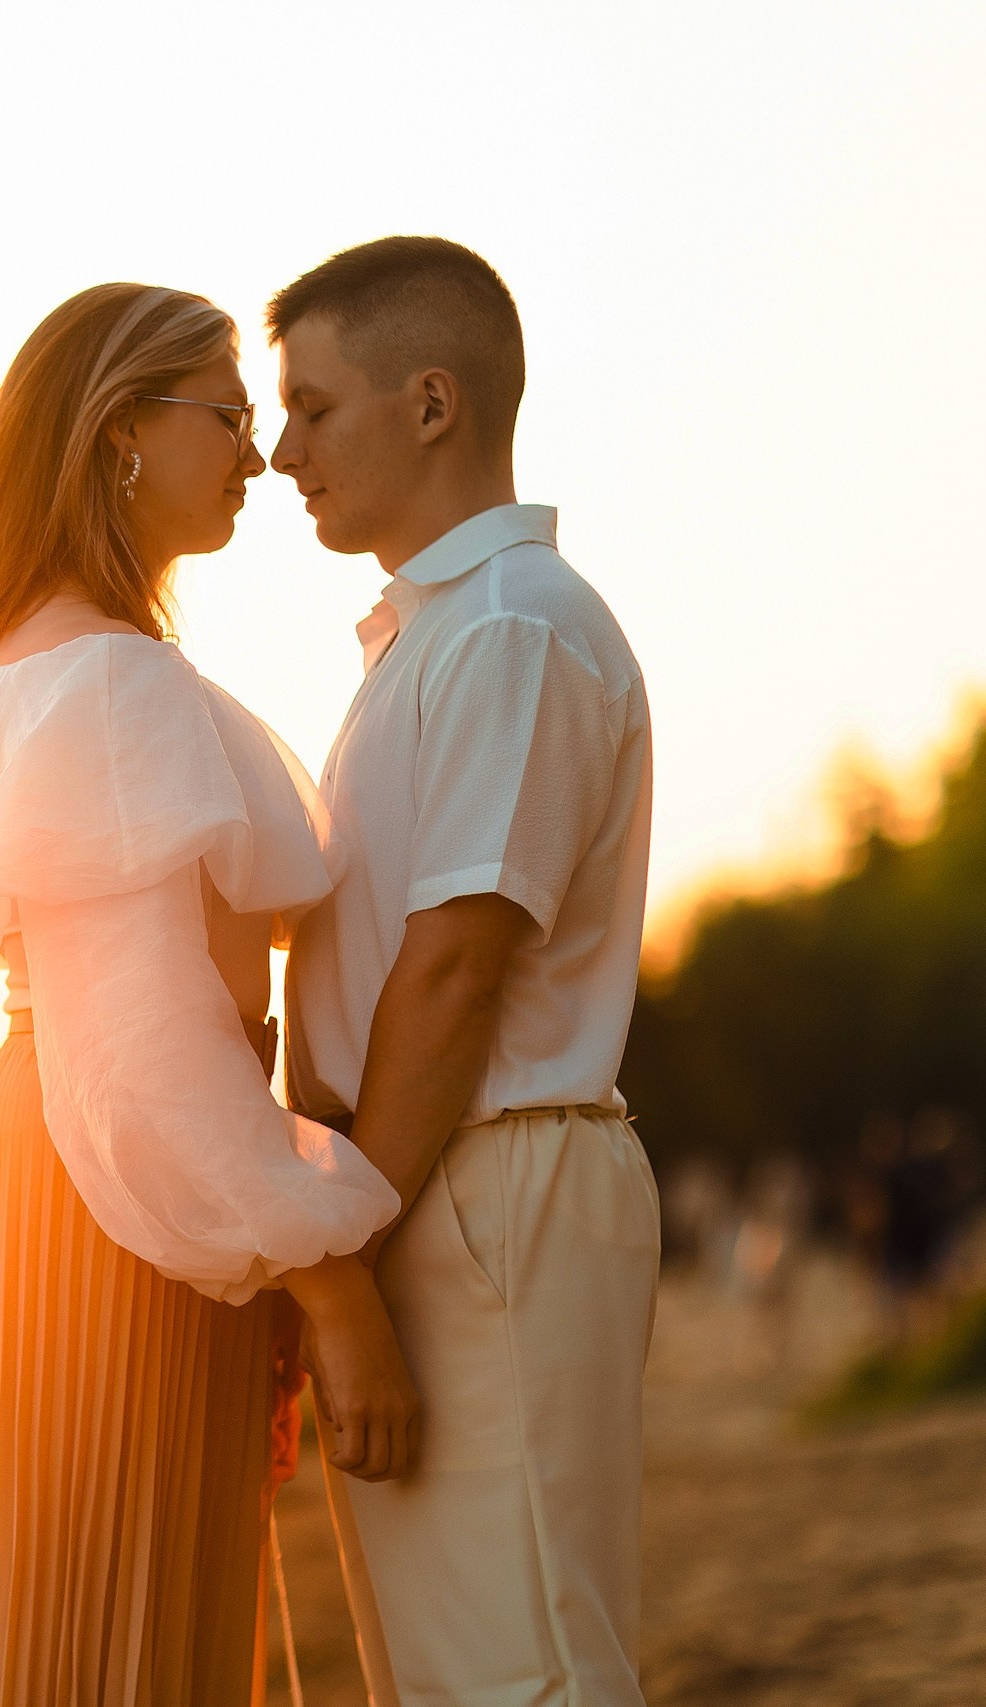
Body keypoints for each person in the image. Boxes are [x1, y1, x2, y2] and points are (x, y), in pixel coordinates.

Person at [0, 282, 415, 1704]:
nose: (257, 455)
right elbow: (149, 1055)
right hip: (107, 1204)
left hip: (73, 1187)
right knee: (104, 1653)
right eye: (230, 418)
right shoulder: (108, 683)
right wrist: (333, 1286)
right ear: (122, 435)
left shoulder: (56, 660)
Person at [271, 237, 662, 1707]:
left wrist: (338, 1255)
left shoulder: (508, 631)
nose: (283, 455)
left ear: (430, 403)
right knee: (450, 1668)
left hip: (481, 1185)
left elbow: (453, 979)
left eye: (314, 408)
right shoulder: (438, 635)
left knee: (524, 1672)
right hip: (432, 1180)